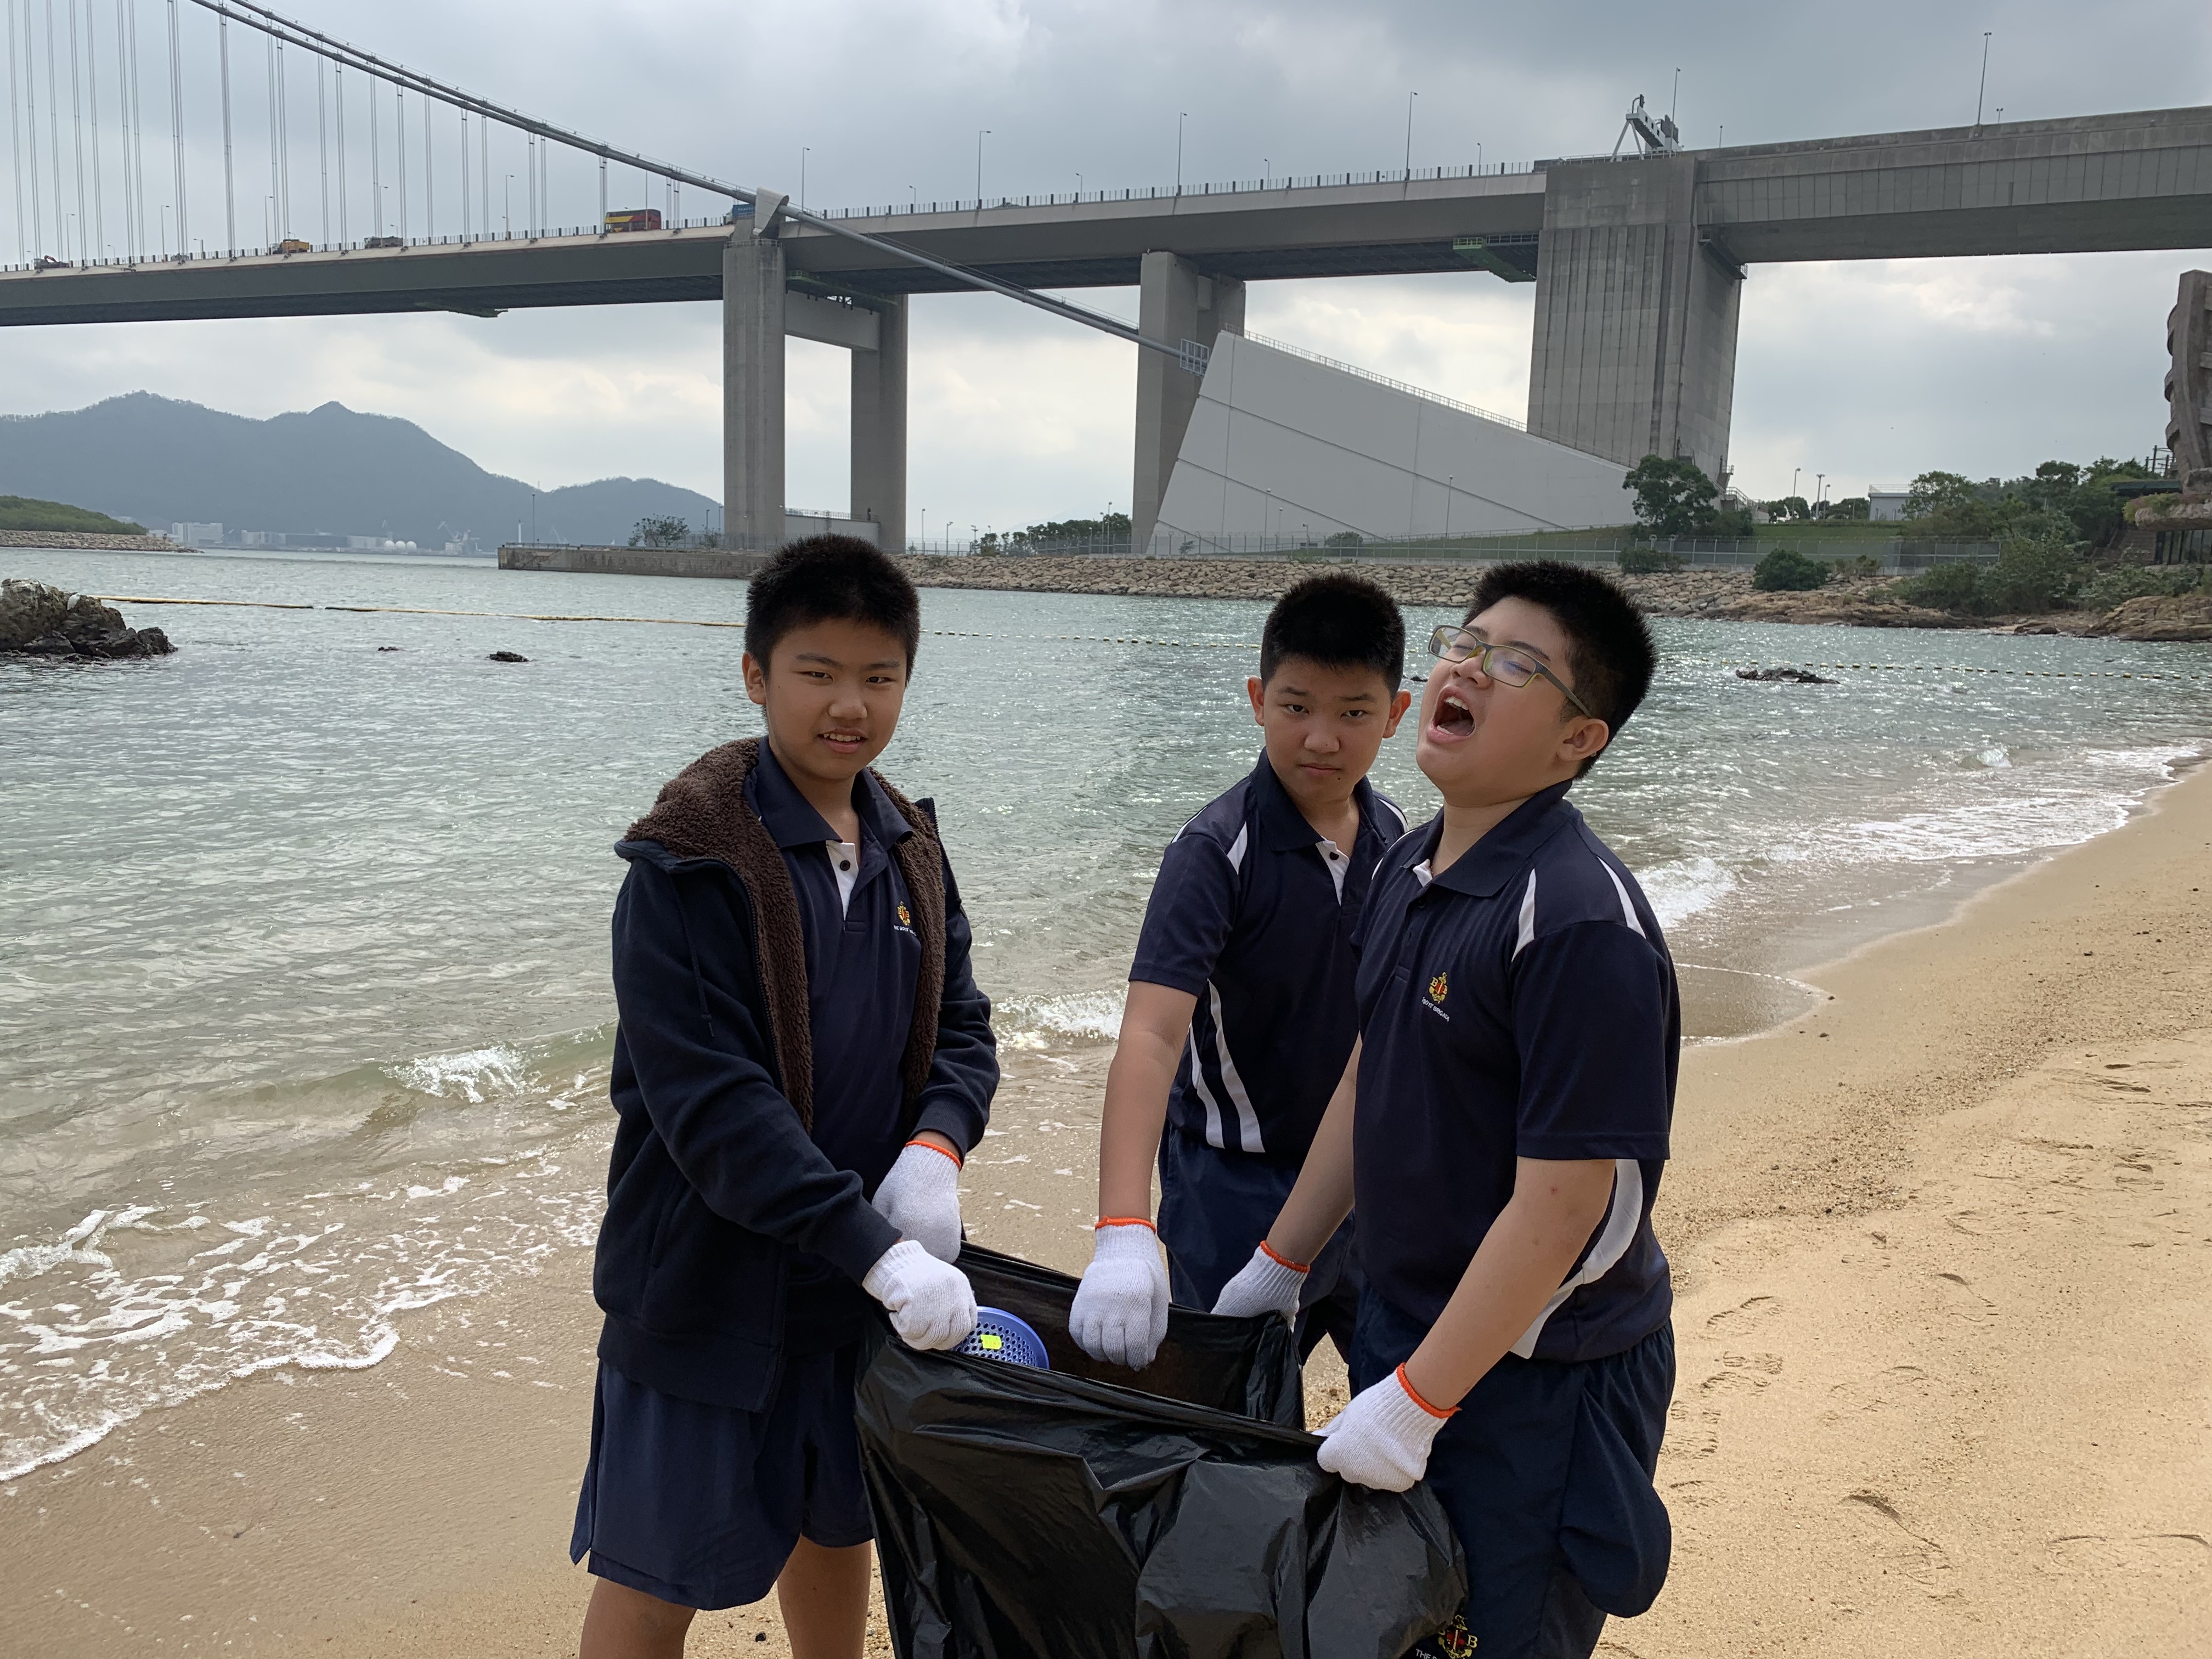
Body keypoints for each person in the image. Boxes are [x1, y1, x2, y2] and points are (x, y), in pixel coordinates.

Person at [1215, 561, 1677, 1659]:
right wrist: (1281, 1262)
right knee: (1396, 1630)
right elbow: (1371, 1072)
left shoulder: (1576, 923)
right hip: (1406, 1321)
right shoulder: (1413, 861)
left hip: (1540, 1377)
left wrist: (1419, 1401)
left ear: (1578, 740)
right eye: (1464, 644)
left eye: (1516, 665)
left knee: (1493, 1636)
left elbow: (1563, 1210)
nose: (1465, 669)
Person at [571, 536, 998, 1659]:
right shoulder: (689, 863)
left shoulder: (911, 846)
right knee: (652, 1572)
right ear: (757, 675)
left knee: (838, 1521)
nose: (849, 706)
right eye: (819, 673)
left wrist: (937, 1151)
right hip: (707, 1292)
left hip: (849, 1291)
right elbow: (714, 1108)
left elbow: (961, 1028)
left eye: (878, 676)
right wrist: (880, 1253)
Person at [1069, 573, 1412, 1371]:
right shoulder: (1215, 853)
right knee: (1229, 1413)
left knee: (1394, 1393)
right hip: (1233, 1188)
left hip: (1366, 1179)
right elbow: (1152, 1037)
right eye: (1296, 707)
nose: (1321, 739)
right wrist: (1123, 1230)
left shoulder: (1397, 836)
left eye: (1354, 713)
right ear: (1258, 700)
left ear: (1396, 715)